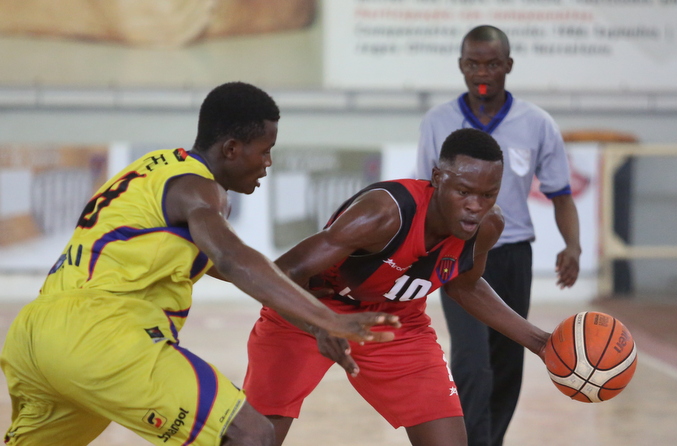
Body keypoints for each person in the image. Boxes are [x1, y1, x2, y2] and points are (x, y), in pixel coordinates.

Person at [0, 82, 400, 446]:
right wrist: (331, 319)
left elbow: (222, 266)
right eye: (265, 151)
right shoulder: (200, 189)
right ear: (231, 150)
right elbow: (233, 256)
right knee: (251, 434)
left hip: (34, 335)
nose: (268, 163)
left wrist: (311, 322)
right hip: (99, 335)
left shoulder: (153, 170)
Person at [243, 128, 552, 446]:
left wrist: (541, 343)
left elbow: (466, 287)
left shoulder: (488, 227)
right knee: (256, 438)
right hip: (310, 311)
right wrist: (318, 322)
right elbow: (281, 273)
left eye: (488, 195)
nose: (476, 205)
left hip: (395, 320)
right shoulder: (383, 213)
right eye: (464, 192)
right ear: (437, 177)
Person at [415, 25, 581, 446]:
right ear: (461, 66)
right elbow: (423, 195)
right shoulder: (437, 122)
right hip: (457, 255)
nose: (482, 72)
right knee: (473, 363)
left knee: (507, 364)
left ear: (508, 65)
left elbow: (561, 195)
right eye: (473, 63)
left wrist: (573, 245)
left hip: (512, 255)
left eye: (492, 63)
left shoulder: (537, 123)